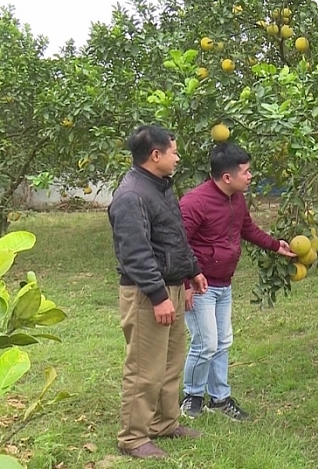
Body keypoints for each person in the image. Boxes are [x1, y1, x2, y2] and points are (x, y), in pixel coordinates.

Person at [108, 125, 208, 459]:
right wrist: (157, 295)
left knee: (170, 360)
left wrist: (192, 270)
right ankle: (134, 438)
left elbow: (174, 236)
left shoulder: (160, 188)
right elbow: (134, 252)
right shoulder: (131, 195)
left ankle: (165, 423)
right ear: (156, 155)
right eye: (174, 151)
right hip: (147, 294)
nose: (177, 157)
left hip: (173, 287)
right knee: (144, 367)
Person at [179, 143, 296, 421]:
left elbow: (247, 228)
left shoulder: (236, 199)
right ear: (227, 177)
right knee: (205, 343)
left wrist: (274, 245)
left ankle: (219, 399)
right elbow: (176, 244)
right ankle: (192, 396)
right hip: (200, 285)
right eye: (246, 171)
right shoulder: (195, 202)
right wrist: (184, 284)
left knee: (222, 342)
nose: (251, 176)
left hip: (224, 284)